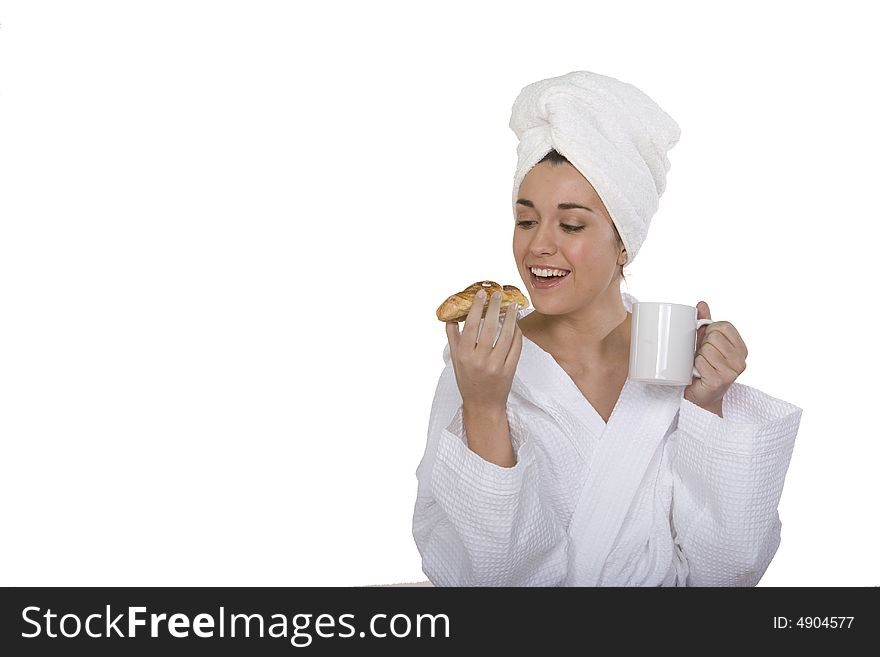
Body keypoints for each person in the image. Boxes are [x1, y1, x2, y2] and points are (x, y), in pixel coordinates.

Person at [411, 71, 803, 586]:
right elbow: (481, 583)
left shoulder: (678, 352)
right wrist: (485, 407)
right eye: (526, 221)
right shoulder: (486, 359)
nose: (538, 247)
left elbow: (727, 574)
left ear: (624, 242)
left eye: (570, 225)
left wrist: (706, 406)